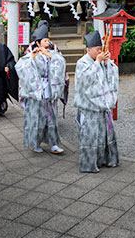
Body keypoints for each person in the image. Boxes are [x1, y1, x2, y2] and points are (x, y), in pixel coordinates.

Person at [15, 20, 66, 154]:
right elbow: (21, 67)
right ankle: (35, 143)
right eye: (44, 40)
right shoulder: (30, 55)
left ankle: (54, 143)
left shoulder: (53, 54)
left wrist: (51, 56)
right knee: (36, 119)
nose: (47, 43)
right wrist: (32, 58)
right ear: (37, 43)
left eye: (48, 40)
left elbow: (61, 64)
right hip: (36, 91)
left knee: (51, 118)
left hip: (50, 89)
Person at [73, 30, 119, 172]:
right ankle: (89, 164)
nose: (100, 51)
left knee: (106, 134)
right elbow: (85, 80)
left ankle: (106, 159)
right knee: (91, 136)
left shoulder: (98, 61)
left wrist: (106, 64)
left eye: (101, 49)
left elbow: (110, 76)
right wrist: (98, 63)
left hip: (102, 105)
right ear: (89, 50)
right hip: (89, 106)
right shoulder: (82, 63)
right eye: (97, 49)